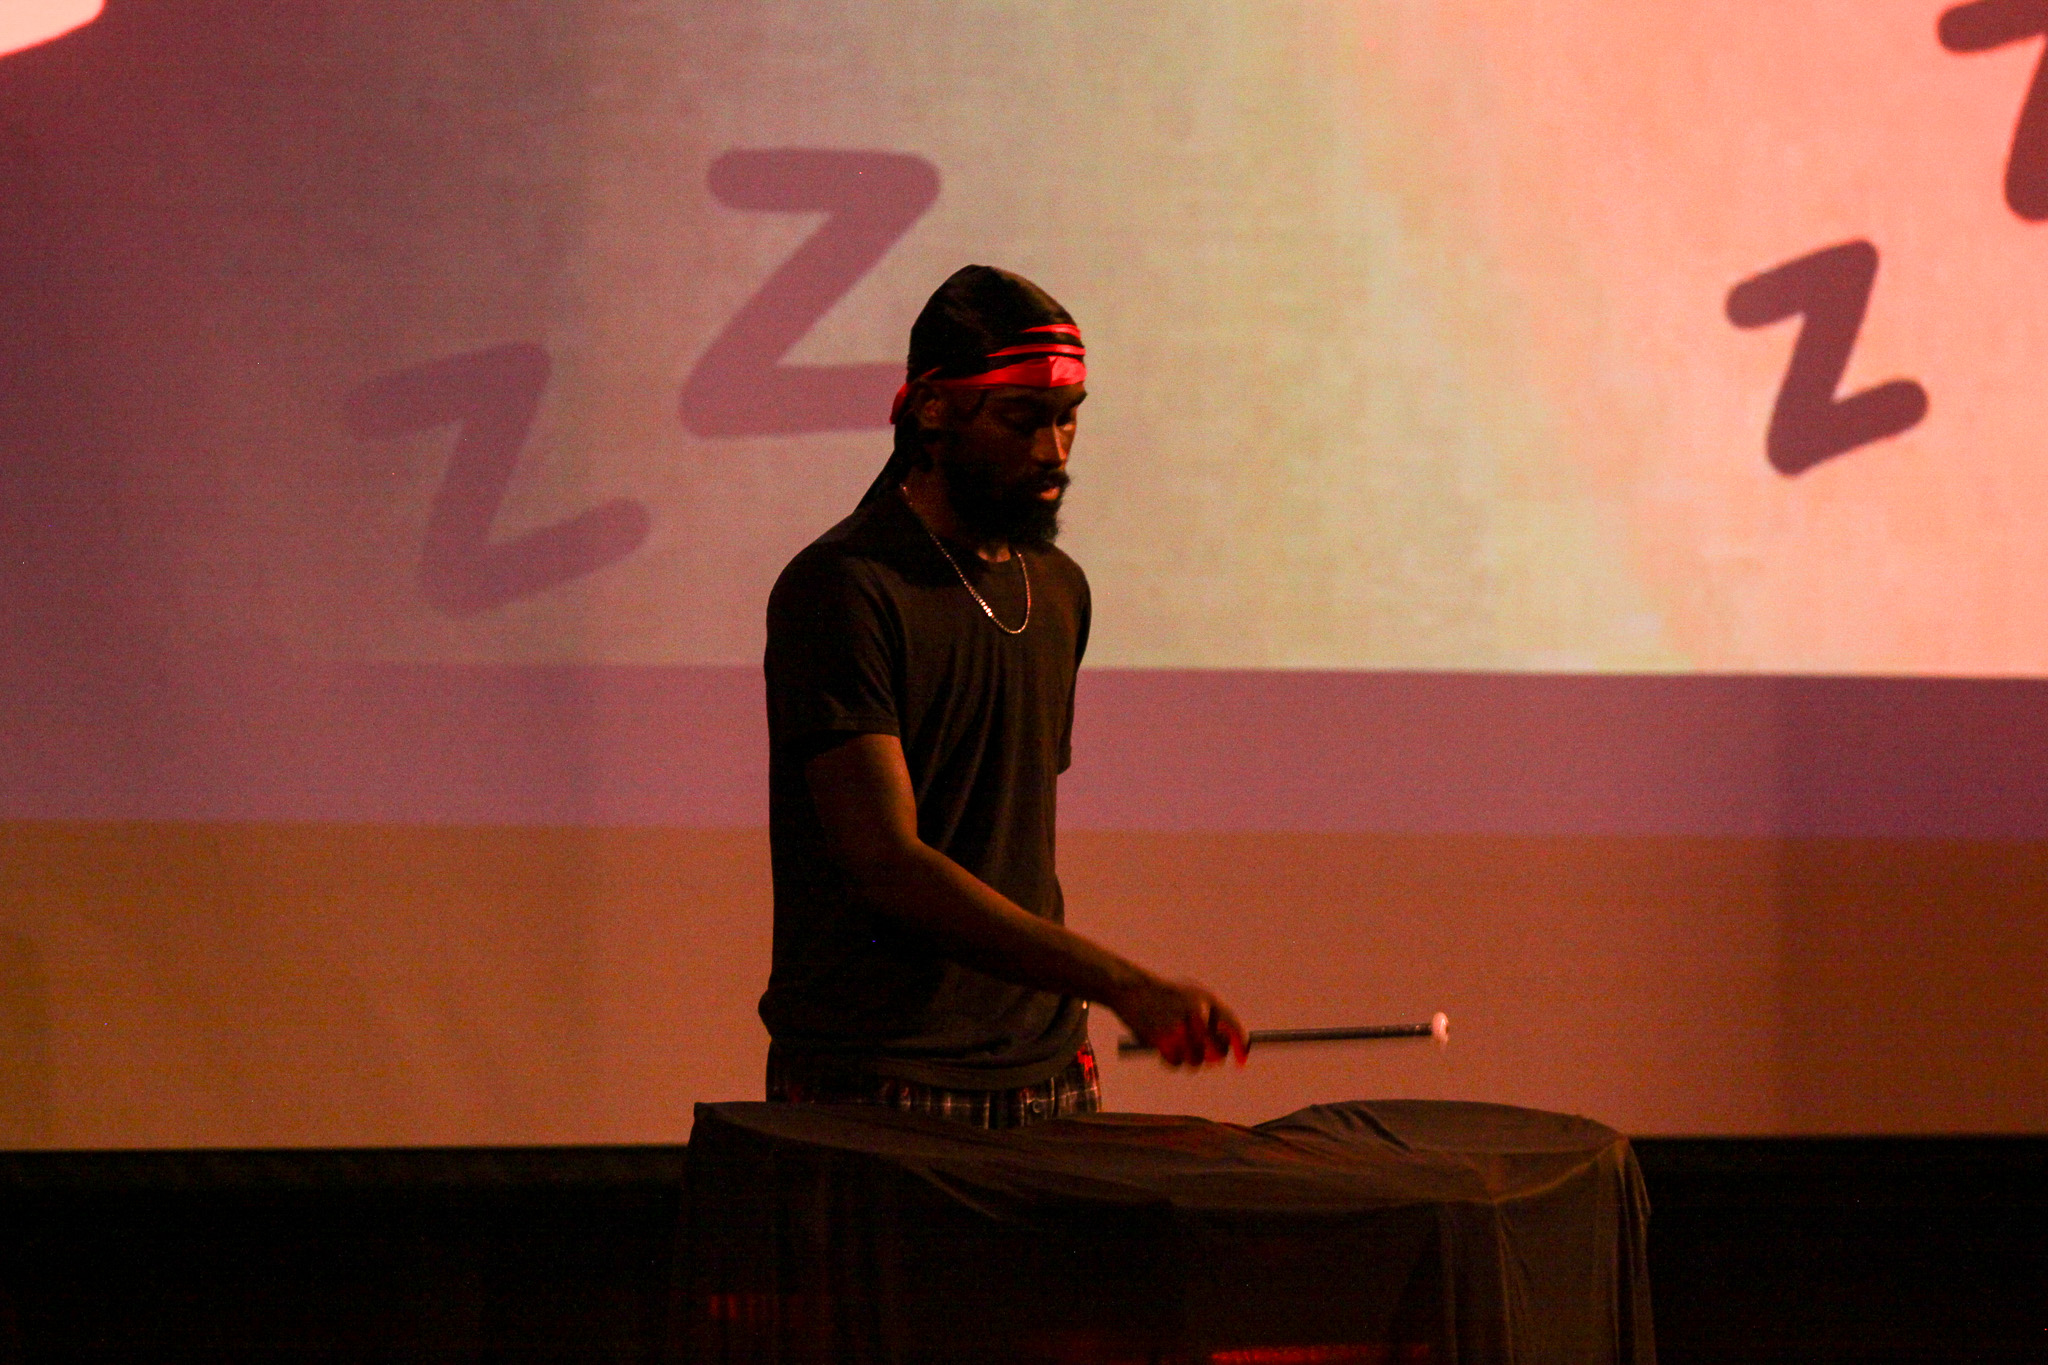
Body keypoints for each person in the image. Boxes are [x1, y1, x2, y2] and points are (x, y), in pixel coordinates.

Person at [759, 264, 1246, 1129]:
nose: (1055, 450)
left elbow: (1007, 836)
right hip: (881, 1078)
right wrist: (1124, 983)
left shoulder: (1059, 590)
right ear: (936, 410)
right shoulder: (844, 589)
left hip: (1050, 1069)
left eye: (1068, 419)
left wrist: (1092, 1006)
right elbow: (887, 863)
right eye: (1024, 419)